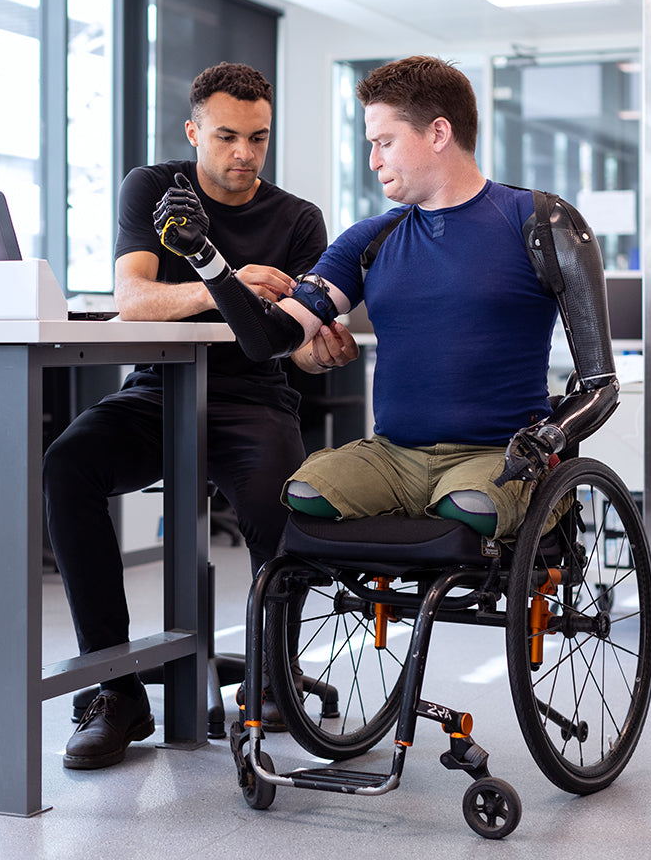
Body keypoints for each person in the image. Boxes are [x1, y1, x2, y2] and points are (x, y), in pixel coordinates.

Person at [156, 55, 619, 544]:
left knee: (469, 506)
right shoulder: (368, 241)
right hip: (392, 458)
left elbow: (601, 384)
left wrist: (550, 438)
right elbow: (269, 338)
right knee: (303, 493)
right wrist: (205, 258)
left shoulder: (543, 224)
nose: (374, 160)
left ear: (438, 134)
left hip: (494, 455)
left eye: (384, 143)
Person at [43, 61, 358, 770]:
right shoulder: (155, 190)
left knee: (282, 502)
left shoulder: (299, 219)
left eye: (257, 137)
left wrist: (320, 355)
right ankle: (116, 690)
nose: (243, 153)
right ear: (194, 132)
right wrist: (225, 282)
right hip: (158, 390)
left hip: (254, 397)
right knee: (68, 466)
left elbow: (299, 351)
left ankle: (273, 674)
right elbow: (134, 299)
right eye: (225, 136)